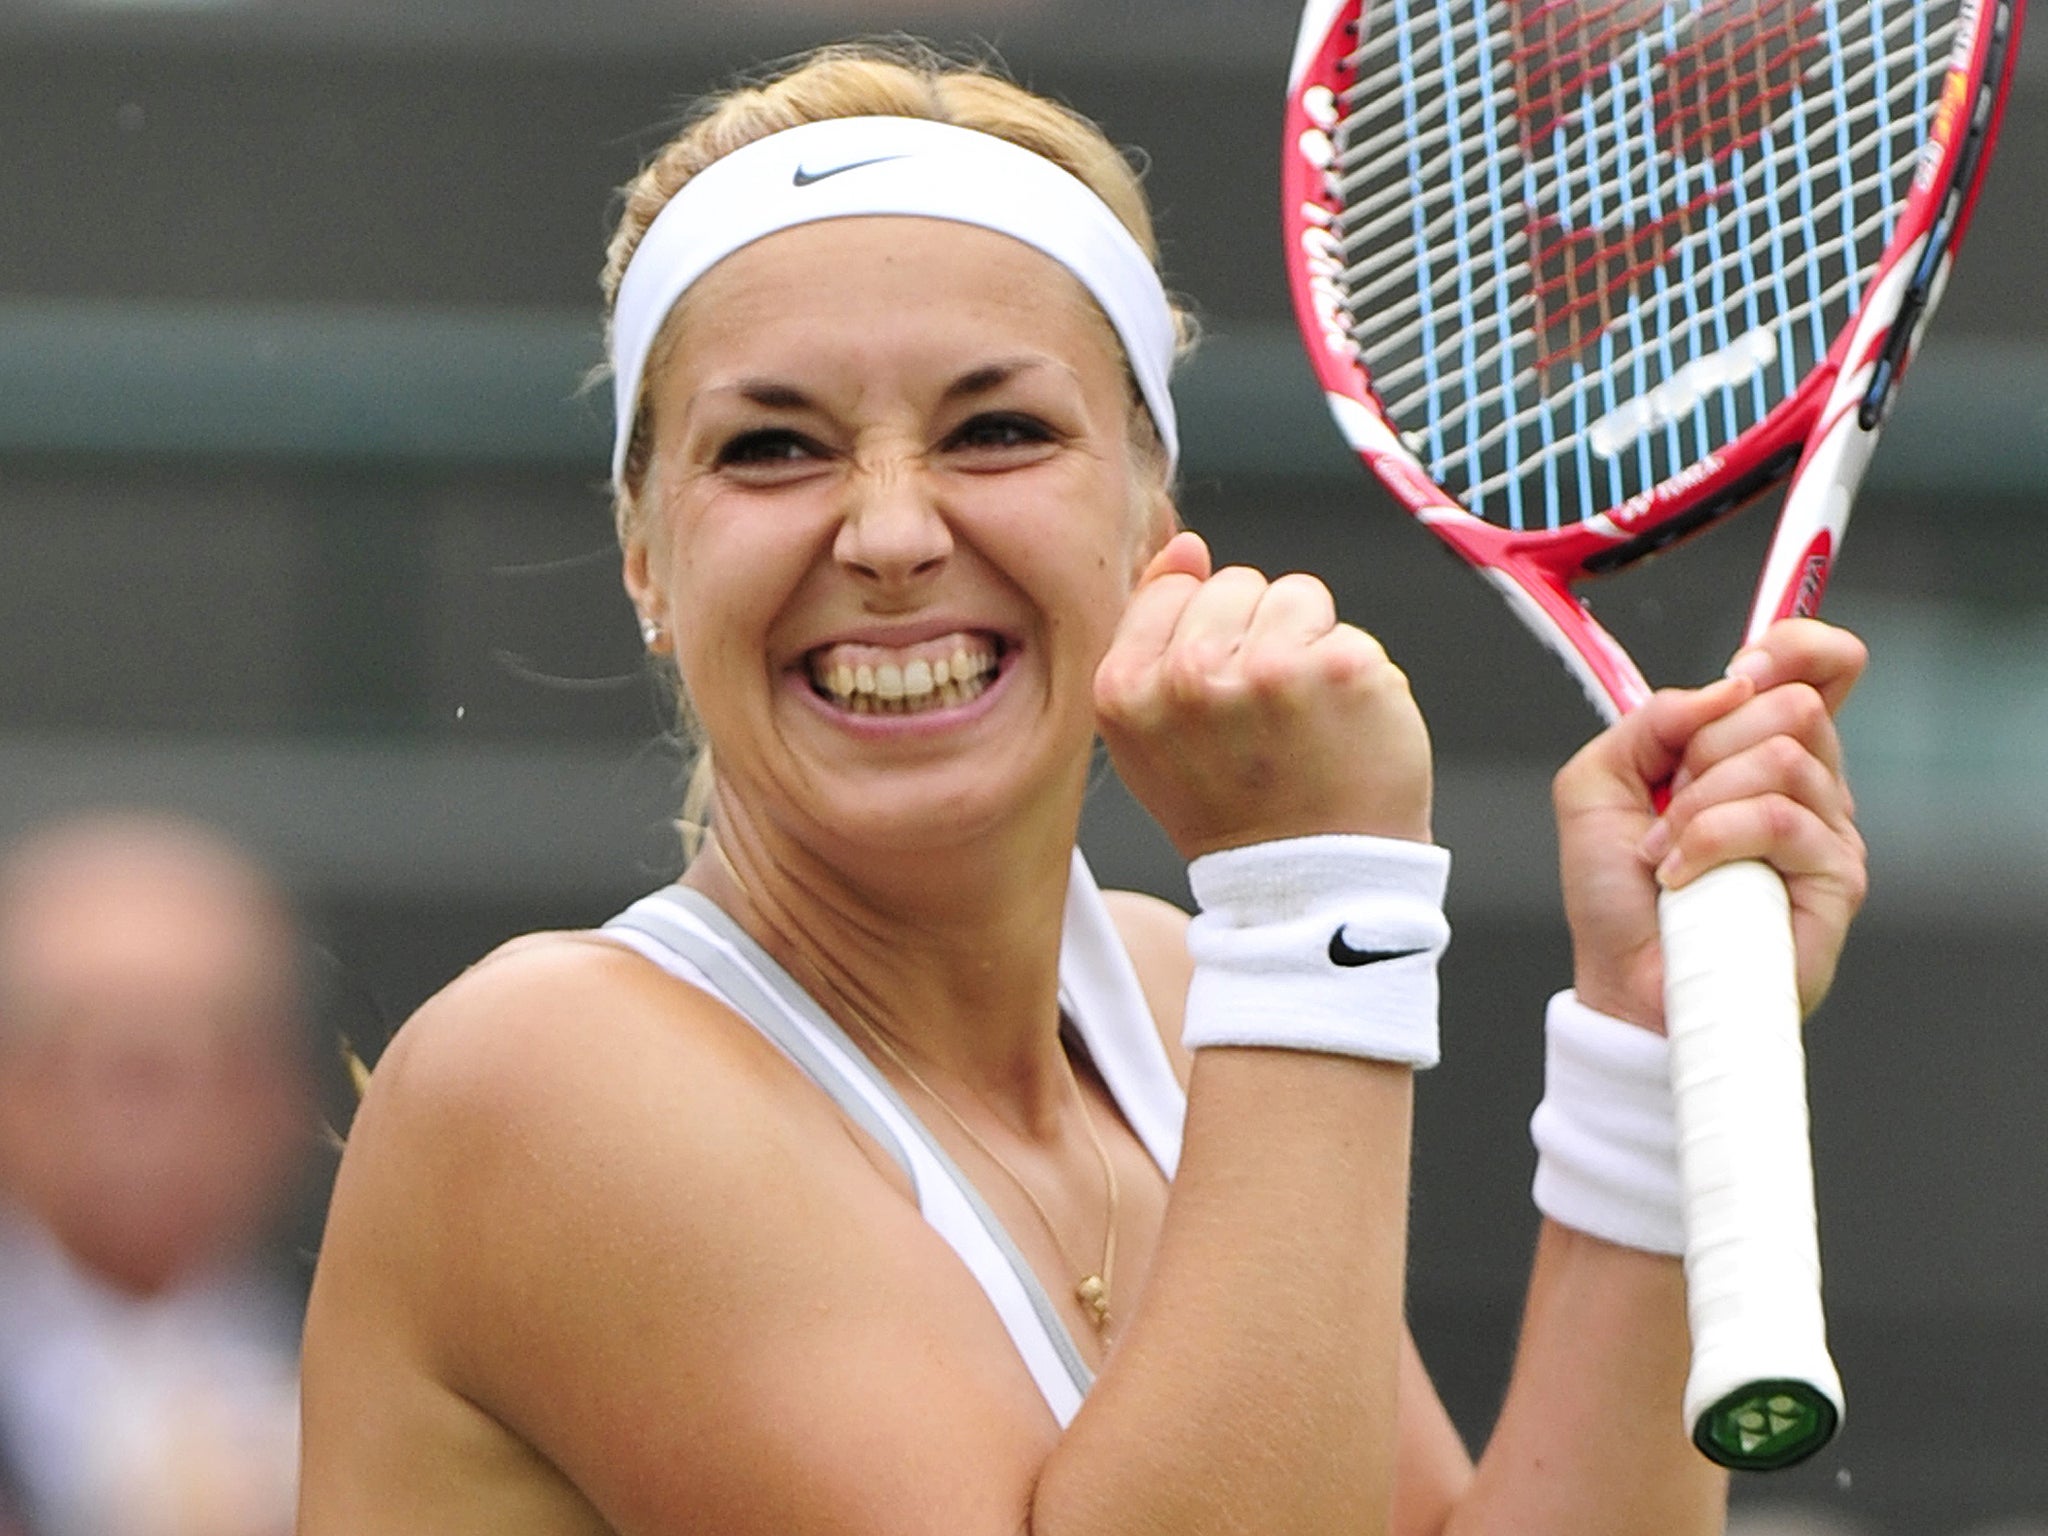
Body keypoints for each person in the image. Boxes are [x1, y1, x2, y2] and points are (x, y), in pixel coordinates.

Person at [298, 40, 1870, 1535]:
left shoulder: (1184, 996)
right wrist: (1321, 910)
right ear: (647, 550)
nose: (892, 531)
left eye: (997, 430)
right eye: (774, 449)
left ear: (1145, 515)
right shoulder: (547, 1080)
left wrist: (1654, 1052)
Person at [0, 812, 309, 1536]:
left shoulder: (376, 1382)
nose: (134, 1117)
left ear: (279, 1092)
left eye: (188, 1059)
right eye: (68, 1049)